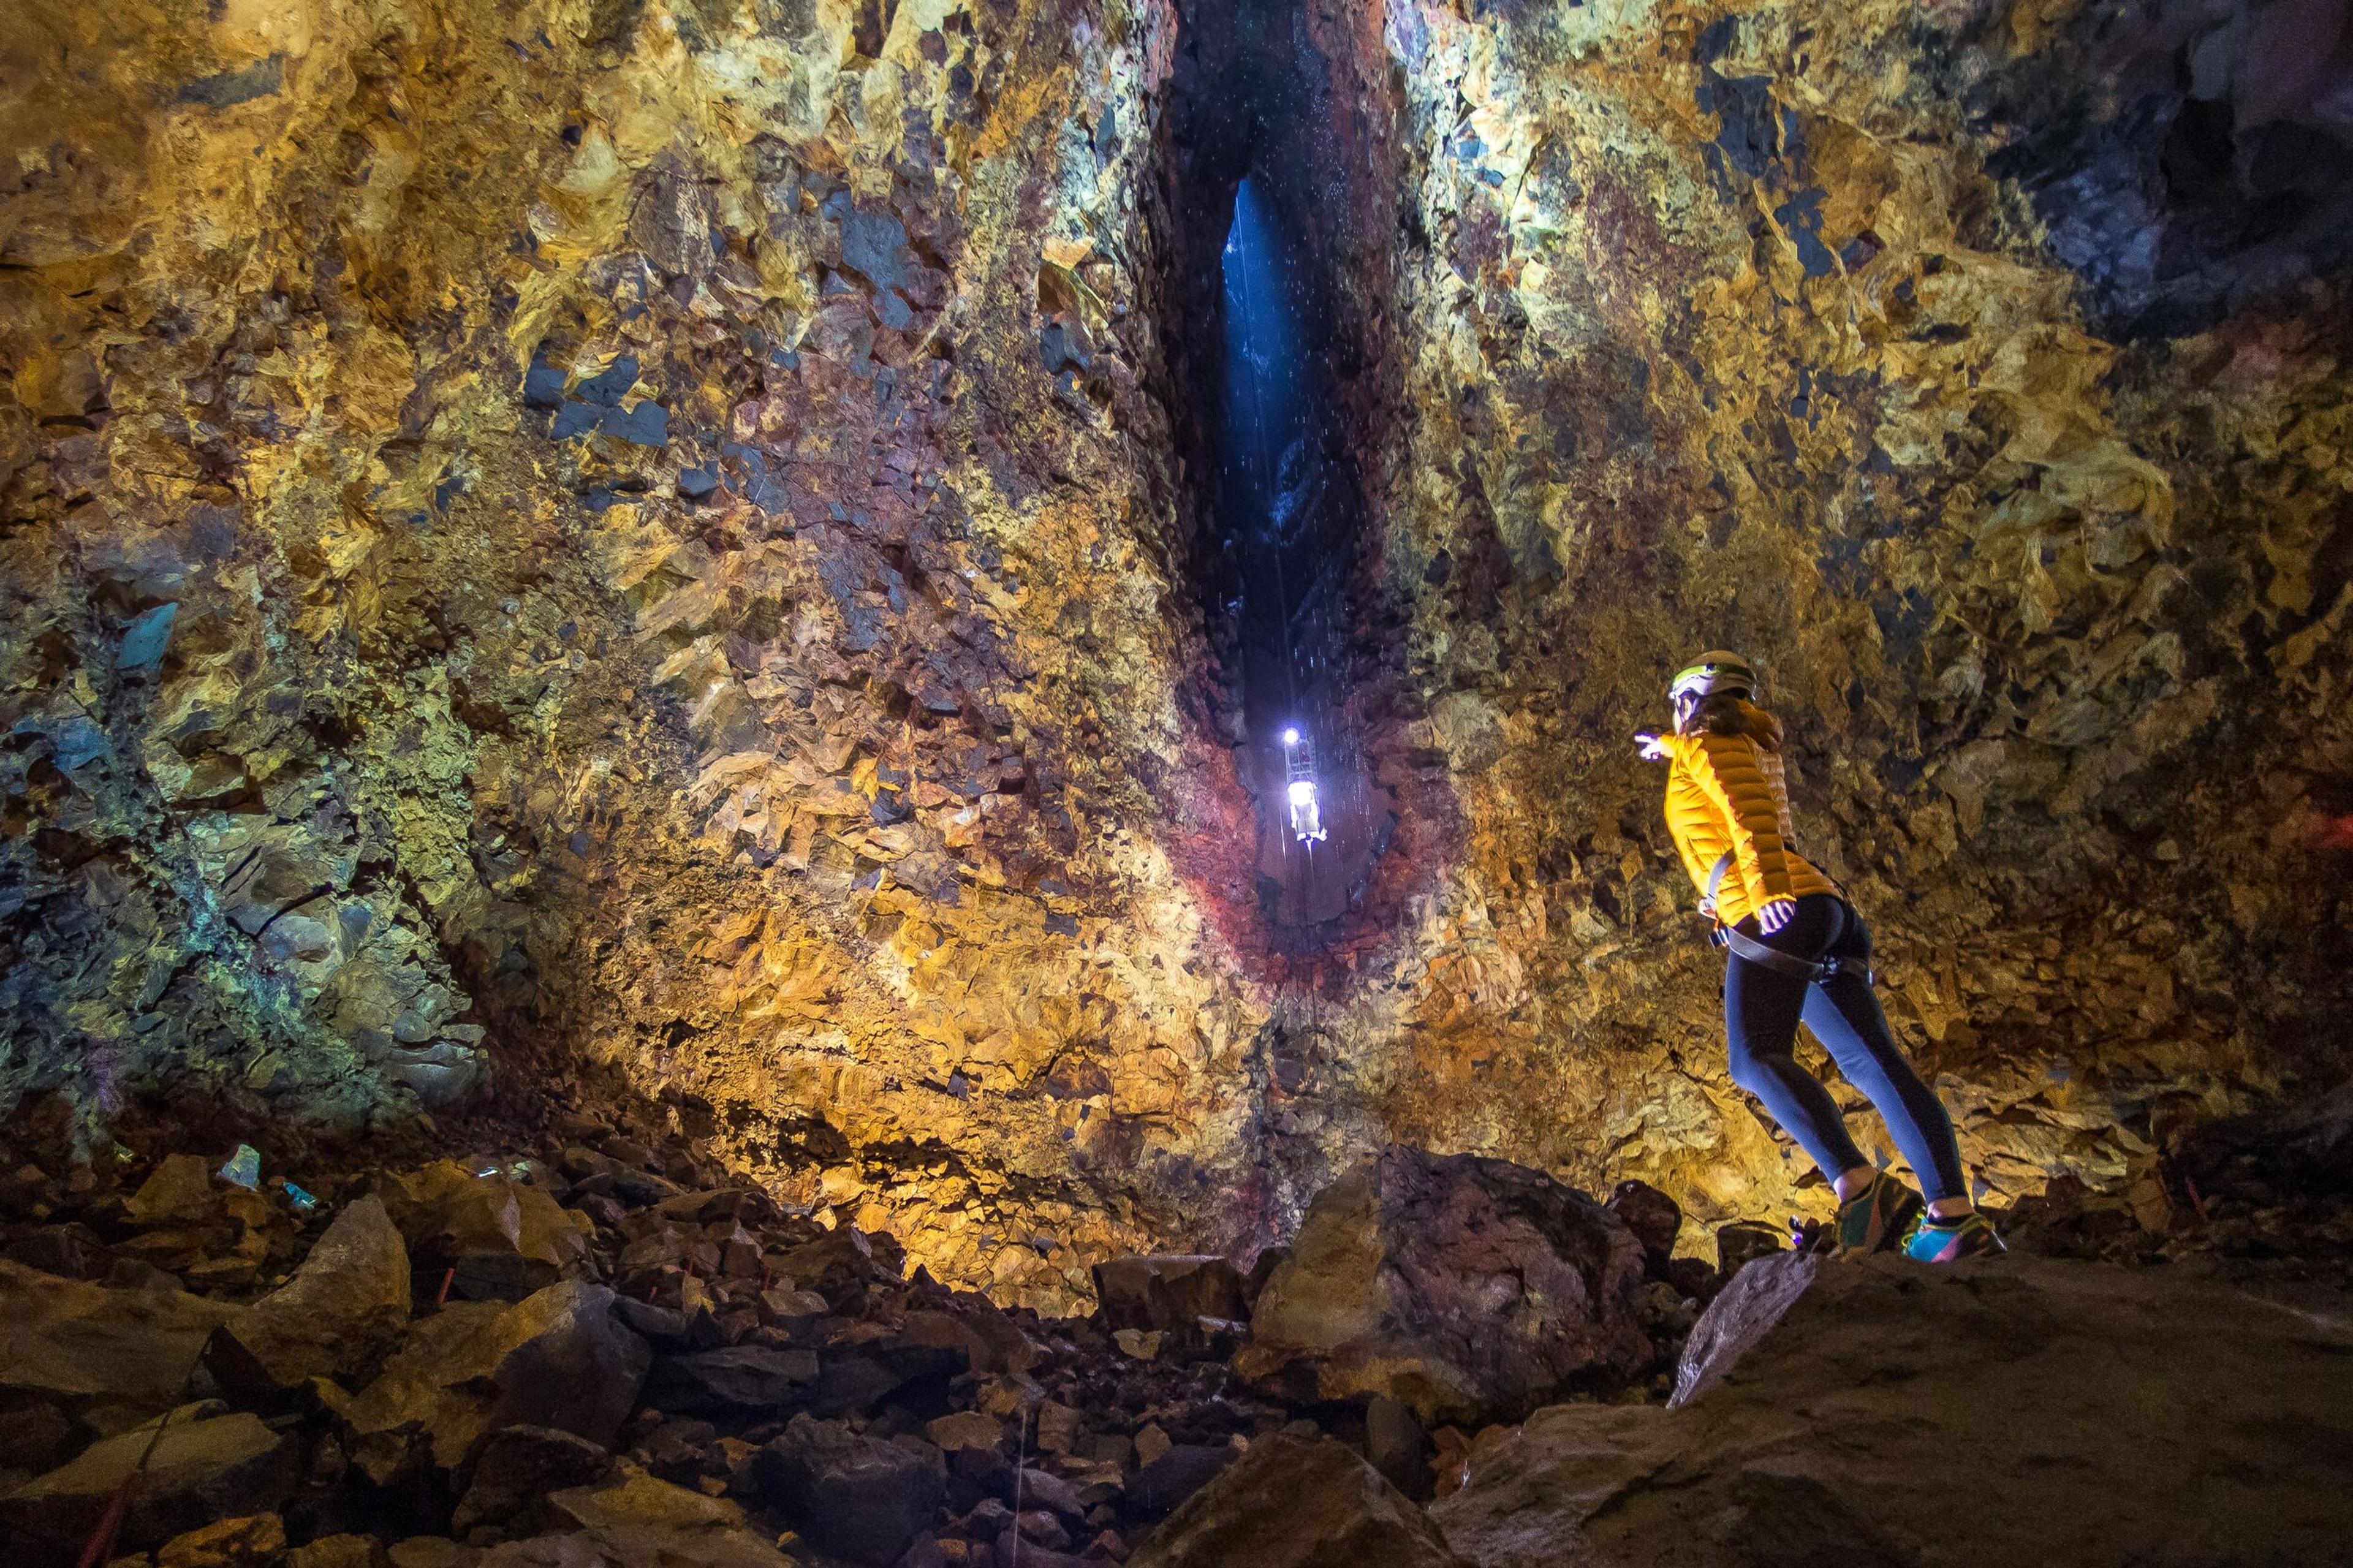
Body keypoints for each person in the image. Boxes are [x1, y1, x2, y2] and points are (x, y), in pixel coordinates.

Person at [1638, 651, 2003, 1261]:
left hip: (1777, 909)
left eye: (1678, 706)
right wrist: (1670, 750)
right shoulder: (1738, 736)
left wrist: (1767, 893)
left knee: (1753, 1060)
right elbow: (1729, 789)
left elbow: (1746, 808)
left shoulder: (1708, 741)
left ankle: (1862, 1191)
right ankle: (1952, 1218)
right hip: (1826, 912)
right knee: (1872, 1063)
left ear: (1691, 700)